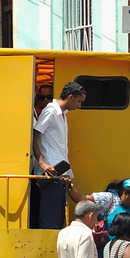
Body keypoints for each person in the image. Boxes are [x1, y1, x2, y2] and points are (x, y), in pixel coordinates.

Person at [30, 80, 87, 229]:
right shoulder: (51, 111)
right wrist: (42, 162)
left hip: (59, 172)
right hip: (49, 173)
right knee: (50, 218)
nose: (79, 106)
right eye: (79, 102)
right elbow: (35, 135)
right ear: (70, 97)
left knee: (57, 217)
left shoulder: (61, 114)